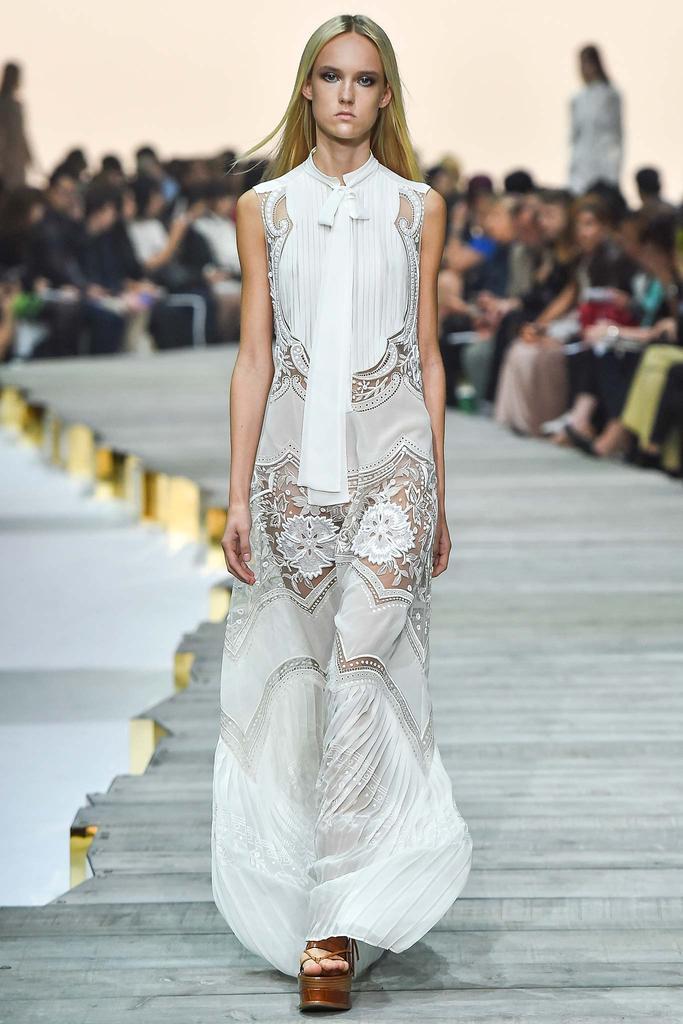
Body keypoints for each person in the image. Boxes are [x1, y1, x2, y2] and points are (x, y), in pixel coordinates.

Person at [211, 14, 472, 1013]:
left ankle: (330, 930)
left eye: (364, 79)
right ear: (307, 90)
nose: (347, 95)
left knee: (361, 667)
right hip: (291, 474)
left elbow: (429, 354)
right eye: (331, 77)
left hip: (394, 465)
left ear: (385, 94)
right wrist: (236, 491)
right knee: (309, 683)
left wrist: (438, 488)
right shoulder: (263, 209)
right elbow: (253, 356)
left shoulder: (418, 208)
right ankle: (329, 883)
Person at [568, 44, 623, 195]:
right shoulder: (578, 98)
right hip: (581, 164)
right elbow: (575, 136)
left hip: (605, 165)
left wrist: (613, 166)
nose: (584, 69)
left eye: (587, 64)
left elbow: (616, 135)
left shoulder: (610, 95)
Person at [0, 62, 34, 189]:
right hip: (8, 161)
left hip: (16, 159)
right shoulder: (6, 104)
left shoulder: (16, 105)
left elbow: (22, 134)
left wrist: (29, 156)